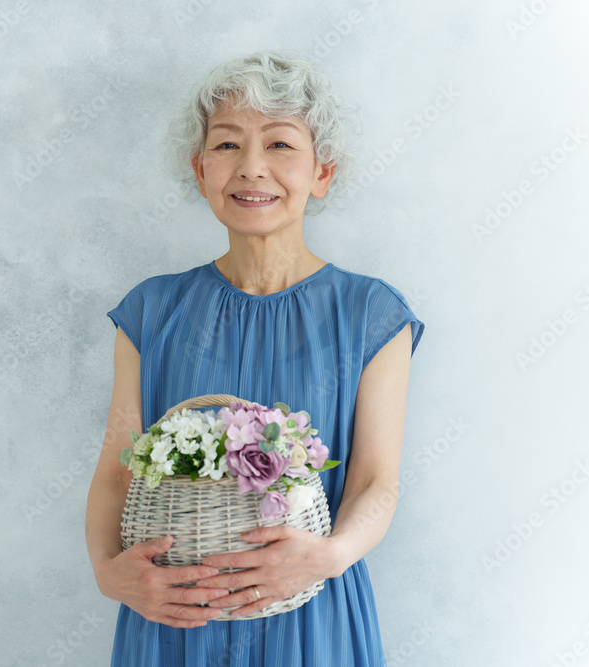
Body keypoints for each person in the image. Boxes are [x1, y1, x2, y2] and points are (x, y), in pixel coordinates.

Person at [85, 50, 425, 666]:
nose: (251, 169)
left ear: (323, 173)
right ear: (200, 169)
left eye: (280, 145)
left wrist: (327, 556)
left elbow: (377, 482)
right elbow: (116, 471)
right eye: (226, 146)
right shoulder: (152, 312)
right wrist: (111, 575)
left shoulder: (370, 315)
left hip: (313, 616)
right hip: (175, 619)